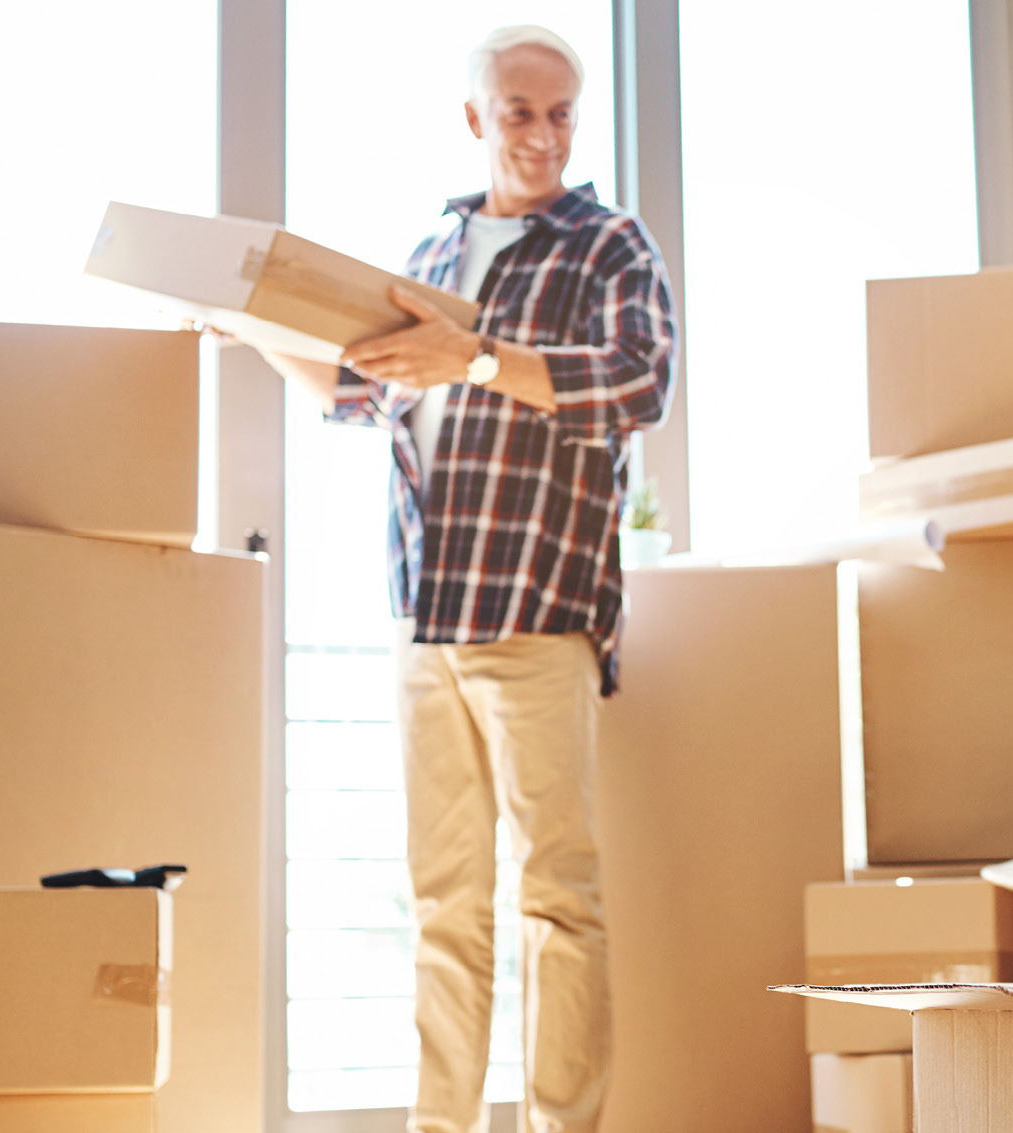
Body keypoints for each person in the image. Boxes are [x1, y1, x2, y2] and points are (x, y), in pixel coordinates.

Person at [265, 24, 674, 1133]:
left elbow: (637, 383)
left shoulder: (608, 244)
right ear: (474, 119)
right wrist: (248, 321)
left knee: (555, 901)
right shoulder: (433, 260)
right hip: (426, 622)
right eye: (518, 112)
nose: (540, 135)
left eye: (560, 113)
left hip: (536, 612)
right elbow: (358, 394)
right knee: (446, 905)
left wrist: (481, 357)